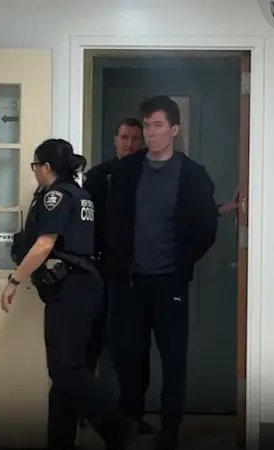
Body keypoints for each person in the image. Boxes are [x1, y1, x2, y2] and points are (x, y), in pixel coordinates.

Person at [100, 96, 218, 450]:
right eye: (147, 126)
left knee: (172, 355)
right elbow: (111, 219)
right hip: (130, 279)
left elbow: (205, 227)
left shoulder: (193, 175)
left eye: (158, 126)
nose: (150, 133)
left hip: (170, 280)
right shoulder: (126, 171)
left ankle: (171, 426)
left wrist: (183, 261)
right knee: (129, 352)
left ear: (174, 130)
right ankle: (130, 417)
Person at [0, 138, 130, 450]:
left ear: (46, 167)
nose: (34, 172)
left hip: (71, 289)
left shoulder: (56, 196)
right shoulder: (80, 194)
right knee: (66, 370)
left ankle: (115, 427)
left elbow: (44, 244)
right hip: (83, 286)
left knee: (66, 368)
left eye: (35, 165)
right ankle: (60, 440)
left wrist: (14, 281)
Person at [83, 118, 143, 373]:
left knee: (129, 341)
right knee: (92, 335)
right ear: (115, 140)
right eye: (125, 138)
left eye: (136, 139)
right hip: (99, 267)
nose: (130, 144)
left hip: (137, 271)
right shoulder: (99, 176)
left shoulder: (151, 176)